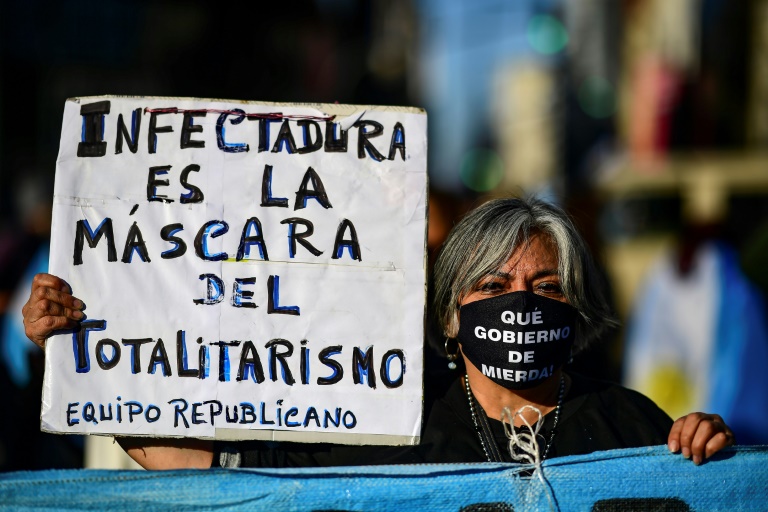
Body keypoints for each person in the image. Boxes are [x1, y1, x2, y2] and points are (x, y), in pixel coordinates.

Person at [23, 197, 734, 469]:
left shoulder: (629, 424)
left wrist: (701, 447)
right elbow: (192, 464)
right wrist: (82, 353)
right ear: (451, 316)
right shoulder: (384, 420)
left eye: (544, 288)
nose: (519, 303)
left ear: (575, 309)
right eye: (492, 287)